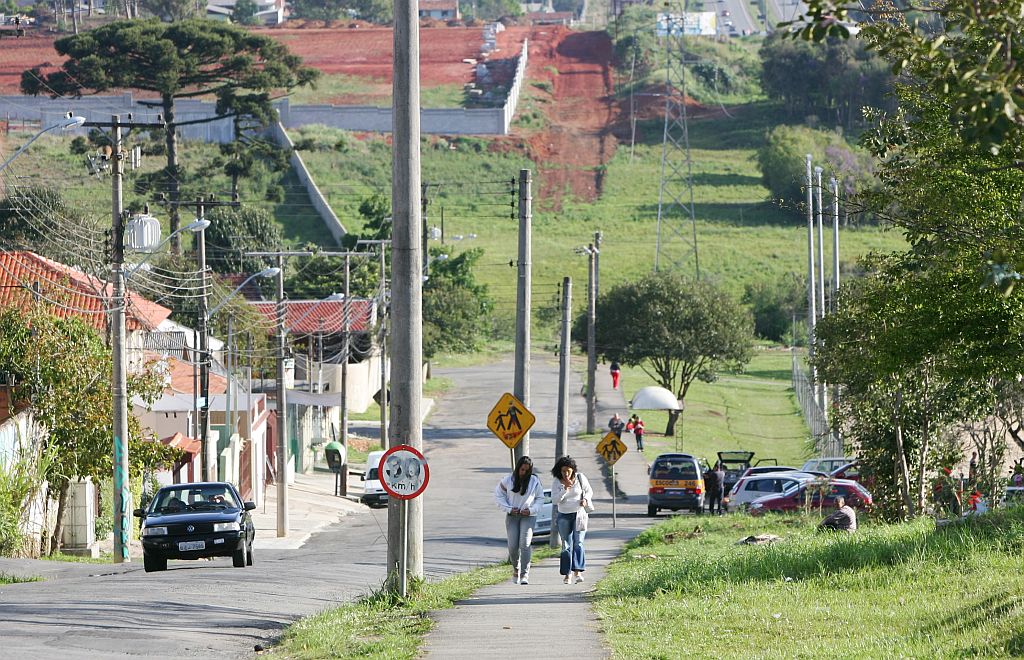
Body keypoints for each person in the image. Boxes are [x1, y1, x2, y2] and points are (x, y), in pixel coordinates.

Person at [494, 455, 544, 585]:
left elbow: (540, 499)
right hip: (513, 516)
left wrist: (532, 510)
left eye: (527, 471)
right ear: (518, 468)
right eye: (522, 470)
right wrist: (509, 509)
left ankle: (524, 574)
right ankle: (516, 569)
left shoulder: (534, 481)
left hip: (528, 516)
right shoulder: (508, 480)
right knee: (513, 546)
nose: (524, 473)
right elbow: (499, 496)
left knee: (525, 543)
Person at [551, 455, 593, 585]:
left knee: (578, 542)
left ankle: (578, 571)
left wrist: (585, 499)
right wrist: (565, 489)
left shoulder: (580, 478)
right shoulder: (557, 482)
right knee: (566, 546)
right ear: (559, 471)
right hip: (564, 515)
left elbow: (589, 491)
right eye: (563, 471)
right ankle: (567, 574)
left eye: (568, 471)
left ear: (573, 470)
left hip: (579, 514)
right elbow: (555, 500)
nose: (566, 474)